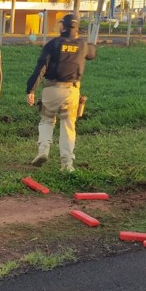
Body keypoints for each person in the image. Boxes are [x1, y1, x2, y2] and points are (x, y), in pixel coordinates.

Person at [25, 14, 96, 172]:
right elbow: (92, 54)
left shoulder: (53, 44)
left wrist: (30, 90)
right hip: (71, 91)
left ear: (62, 27)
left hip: (51, 90)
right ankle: (67, 164)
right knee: (68, 126)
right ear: (76, 29)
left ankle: (43, 150)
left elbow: (41, 68)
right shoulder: (83, 45)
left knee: (46, 121)